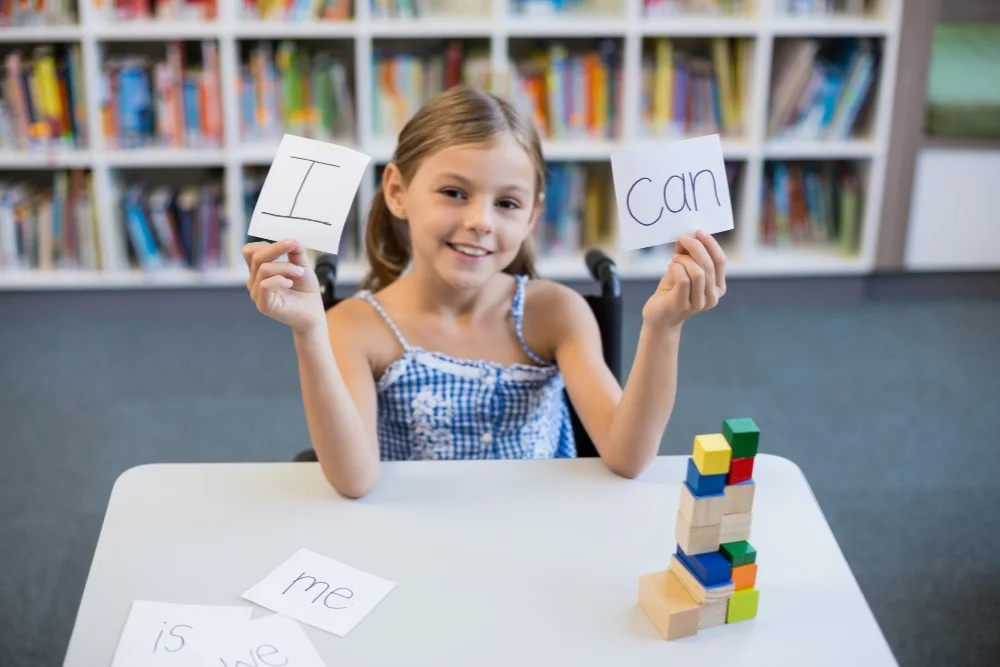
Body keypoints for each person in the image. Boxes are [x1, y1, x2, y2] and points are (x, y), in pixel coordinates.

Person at [243, 85, 727, 498]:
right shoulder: (353, 325)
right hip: (414, 544)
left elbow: (626, 457)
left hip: (536, 539)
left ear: (533, 216)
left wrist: (664, 326)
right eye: (454, 193)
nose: (480, 222)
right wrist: (309, 331)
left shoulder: (556, 312)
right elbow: (355, 481)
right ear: (396, 191)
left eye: (507, 203)